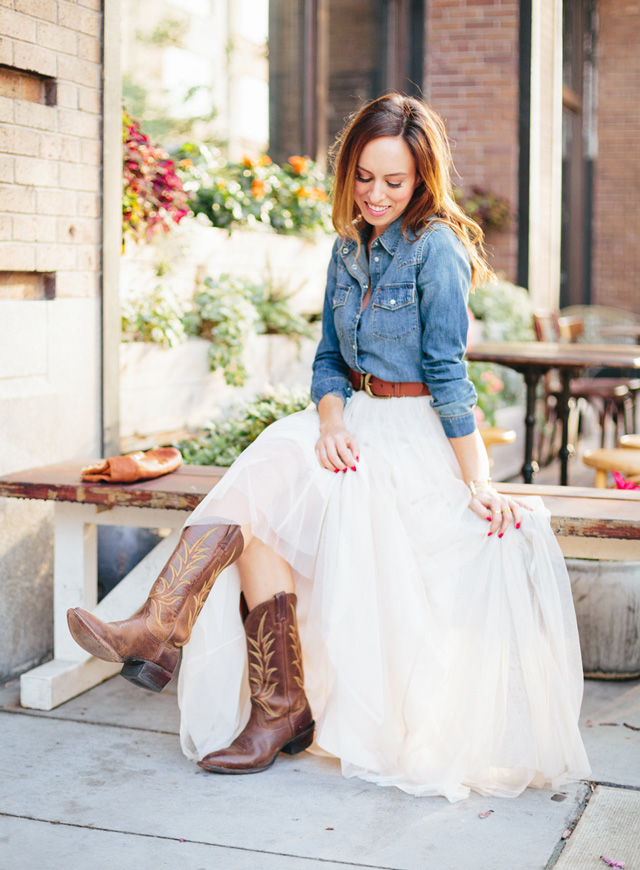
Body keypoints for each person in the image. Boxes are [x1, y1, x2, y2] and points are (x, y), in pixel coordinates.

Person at [67, 93, 590, 802]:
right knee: (260, 493)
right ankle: (254, 692)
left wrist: (477, 482)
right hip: (351, 425)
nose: (376, 195)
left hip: (411, 435)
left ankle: (189, 649)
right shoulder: (347, 247)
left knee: (263, 502)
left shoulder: (437, 248)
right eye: (365, 177)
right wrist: (334, 420)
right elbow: (325, 360)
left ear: (423, 179)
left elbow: (447, 374)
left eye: (394, 182)